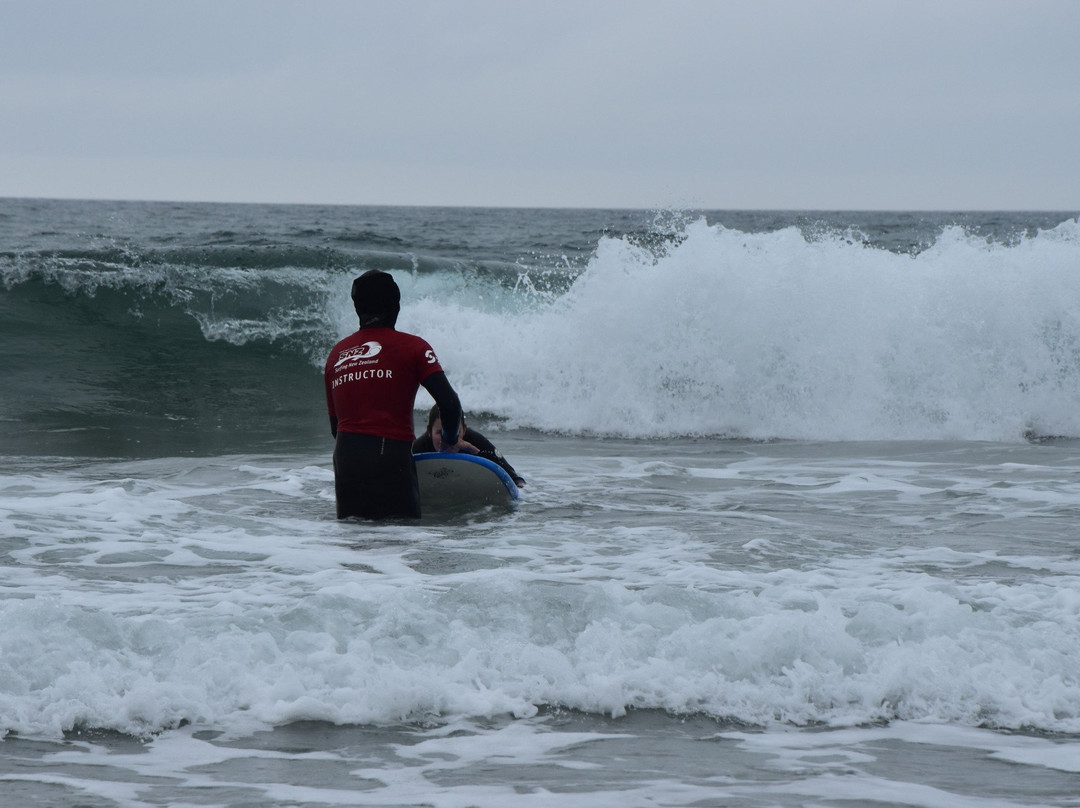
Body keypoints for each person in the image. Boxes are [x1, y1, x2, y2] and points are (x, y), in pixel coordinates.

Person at [324, 269, 468, 519]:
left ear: (358, 309)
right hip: (388, 455)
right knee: (400, 546)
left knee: (352, 545)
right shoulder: (414, 347)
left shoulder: (337, 355)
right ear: (396, 306)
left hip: (345, 460)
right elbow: (450, 404)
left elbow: (336, 428)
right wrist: (449, 440)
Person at [412, 404, 526, 488]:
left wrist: (528, 497)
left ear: (464, 430)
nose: (447, 439)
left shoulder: (475, 442)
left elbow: (514, 478)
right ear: (429, 432)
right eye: (440, 433)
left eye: (455, 432)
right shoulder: (420, 447)